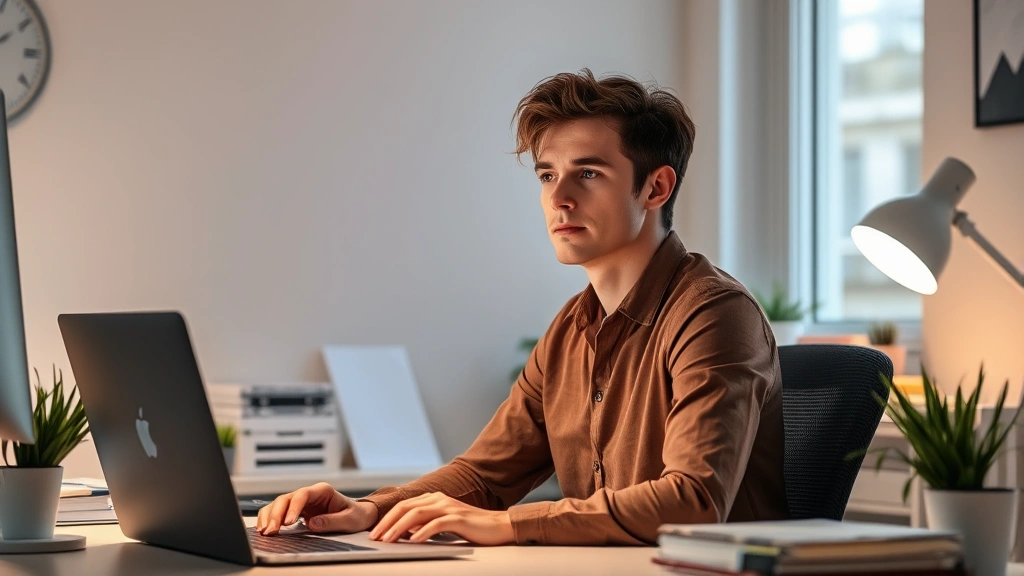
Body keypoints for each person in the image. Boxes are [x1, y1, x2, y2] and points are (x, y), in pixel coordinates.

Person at [256, 69, 788, 546]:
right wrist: (369, 509)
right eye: (547, 175)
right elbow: (485, 476)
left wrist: (512, 524)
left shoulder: (715, 313)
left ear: (655, 187)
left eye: (589, 173)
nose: (559, 199)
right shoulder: (571, 329)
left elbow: (692, 501)